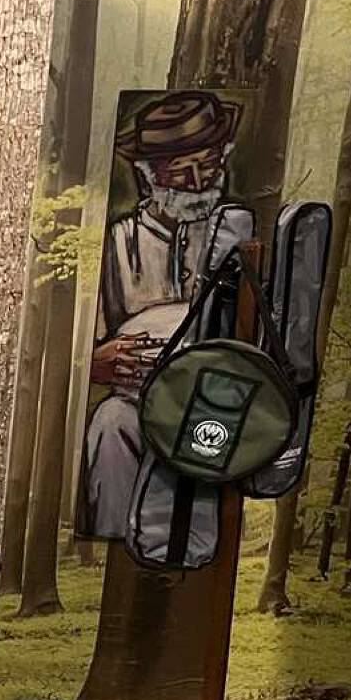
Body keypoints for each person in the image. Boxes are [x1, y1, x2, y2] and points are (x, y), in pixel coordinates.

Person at [78, 90, 240, 536]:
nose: (197, 182)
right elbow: (80, 344)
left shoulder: (235, 239)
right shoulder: (118, 241)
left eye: (208, 165)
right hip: (135, 402)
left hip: (211, 404)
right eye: (180, 170)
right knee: (110, 425)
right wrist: (93, 363)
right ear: (148, 175)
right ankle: (113, 541)